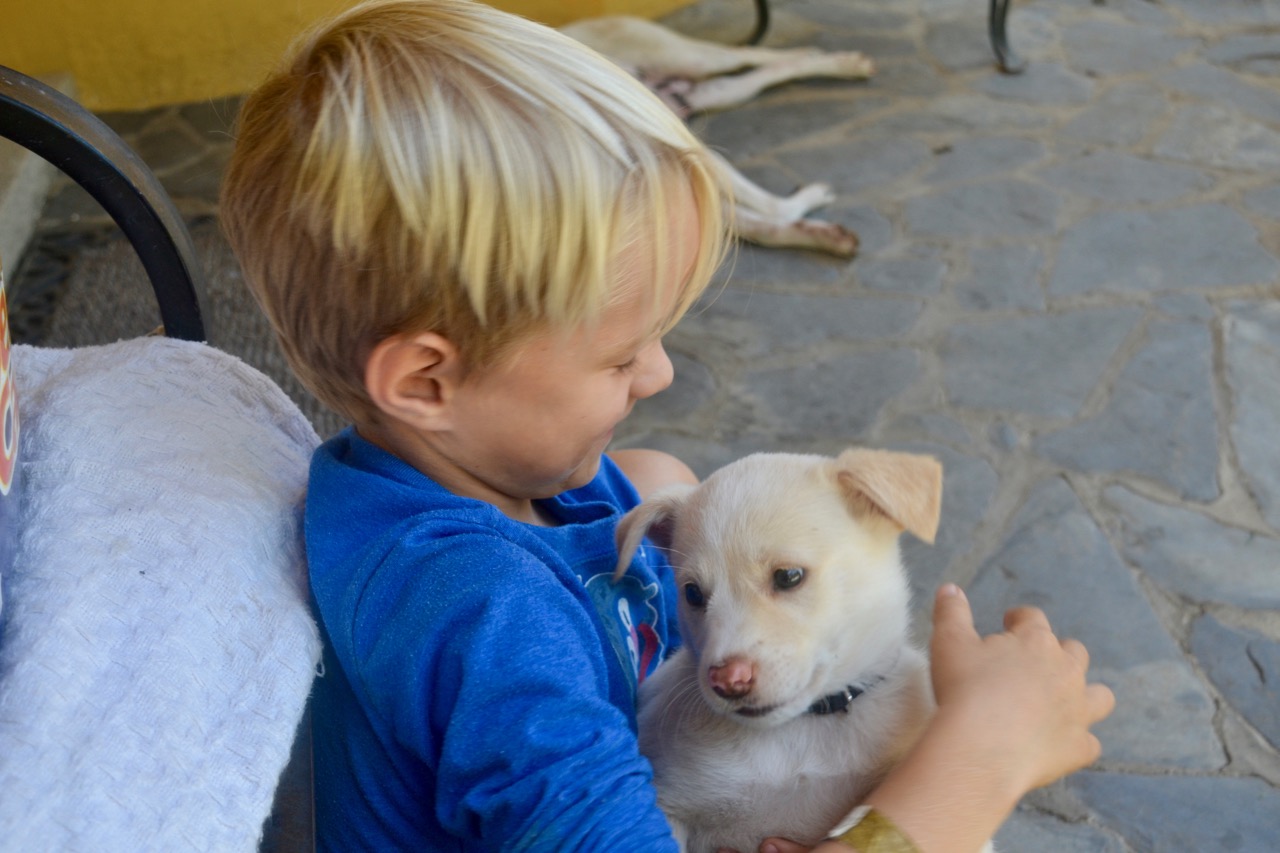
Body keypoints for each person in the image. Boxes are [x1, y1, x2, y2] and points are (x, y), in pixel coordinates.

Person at [220, 1, 1115, 850]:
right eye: (620, 357)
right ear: (425, 381)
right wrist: (979, 758)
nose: (660, 373)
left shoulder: (433, 484)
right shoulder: (488, 614)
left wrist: (658, 500)